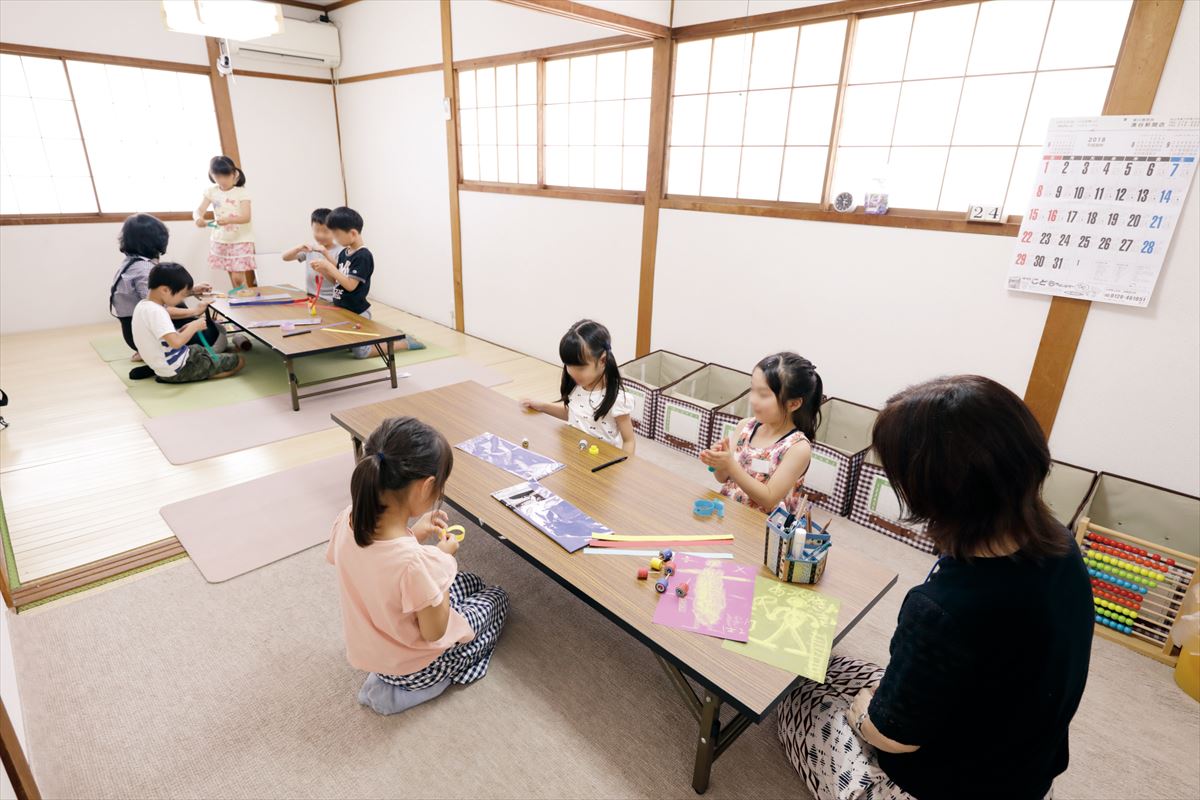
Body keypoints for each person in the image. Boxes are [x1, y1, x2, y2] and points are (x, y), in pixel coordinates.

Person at [777, 375, 1094, 800]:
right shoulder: (1062, 545)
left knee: (793, 696)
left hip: (940, 784)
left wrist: (863, 716)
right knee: (825, 666)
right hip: (1026, 771)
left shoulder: (942, 609)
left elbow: (894, 737)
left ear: (931, 491)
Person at [327, 416, 509, 715]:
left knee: (472, 582)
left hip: (374, 645)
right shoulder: (417, 563)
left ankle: (388, 680)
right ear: (427, 487)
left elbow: (379, 566)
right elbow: (434, 632)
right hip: (416, 667)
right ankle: (415, 689)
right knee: (496, 598)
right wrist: (443, 561)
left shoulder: (348, 519)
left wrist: (418, 532)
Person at [699, 352, 820, 514]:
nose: (753, 399)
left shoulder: (798, 448)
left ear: (794, 404)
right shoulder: (745, 427)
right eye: (753, 389)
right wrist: (719, 463)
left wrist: (730, 464)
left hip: (764, 529)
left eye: (763, 394)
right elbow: (723, 478)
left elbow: (769, 499)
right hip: (729, 513)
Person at [109, 213, 222, 379]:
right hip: (148, 335)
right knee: (215, 334)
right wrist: (194, 312)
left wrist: (190, 290)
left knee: (206, 326)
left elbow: (160, 294)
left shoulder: (132, 263)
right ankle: (164, 361)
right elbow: (158, 309)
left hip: (138, 334)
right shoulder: (143, 271)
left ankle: (149, 357)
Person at [310, 206, 423, 359]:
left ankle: (404, 342)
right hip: (343, 309)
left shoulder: (363, 256)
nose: (335, 239)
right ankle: (378, 338)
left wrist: (329, 266)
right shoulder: (345, 252)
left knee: (362, 353)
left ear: (353, 233)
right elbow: (338, 280)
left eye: (337, 235)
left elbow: (350, 285)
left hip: (357, 312)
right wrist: (324, 270)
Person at [519, 319, 636, 455]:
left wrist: (625, 467)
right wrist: (543, 406)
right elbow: (574, 414)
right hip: (574, 454)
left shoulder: (617, 399)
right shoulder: (578, 386)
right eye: (568, 365)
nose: (572, 372)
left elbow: (629, 441)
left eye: (580, 367)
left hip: (600, 461)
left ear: (602, 360)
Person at [131, 263, 244, 384]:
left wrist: (181, 331)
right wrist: (194, 327)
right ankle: (199, 374)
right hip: (176, 369)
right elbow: (176, 343)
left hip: (163, 363)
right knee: (239, 361)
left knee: (199, 349)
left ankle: (163, 373)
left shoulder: (142, 306)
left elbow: (159, 338)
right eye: (181, 295)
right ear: (165, 290)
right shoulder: (158, 312)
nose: (182, 299)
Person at [194, 155, 256, 290]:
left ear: (234, 174)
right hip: (222, 239)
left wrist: (229, 220)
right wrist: (198, 219)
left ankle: (245, 301)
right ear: (212, 175)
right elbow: (198, 210)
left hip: (241, 239)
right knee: (232, 274)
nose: (222, 181)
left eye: (225, 176)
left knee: (238, 277)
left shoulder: (242, 192)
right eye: (218, 177)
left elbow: (246, 217)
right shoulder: (211, 191)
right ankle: (241, 301)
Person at [281, 207, 341, 303]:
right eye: (317, 230)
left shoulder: (339, 251)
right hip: (311, 296)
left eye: (325, 231)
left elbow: (340, 275)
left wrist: (326, 254)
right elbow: (285, 257)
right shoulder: (311, 248)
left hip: (332, 298)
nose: (321, 235)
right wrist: (298, 248)